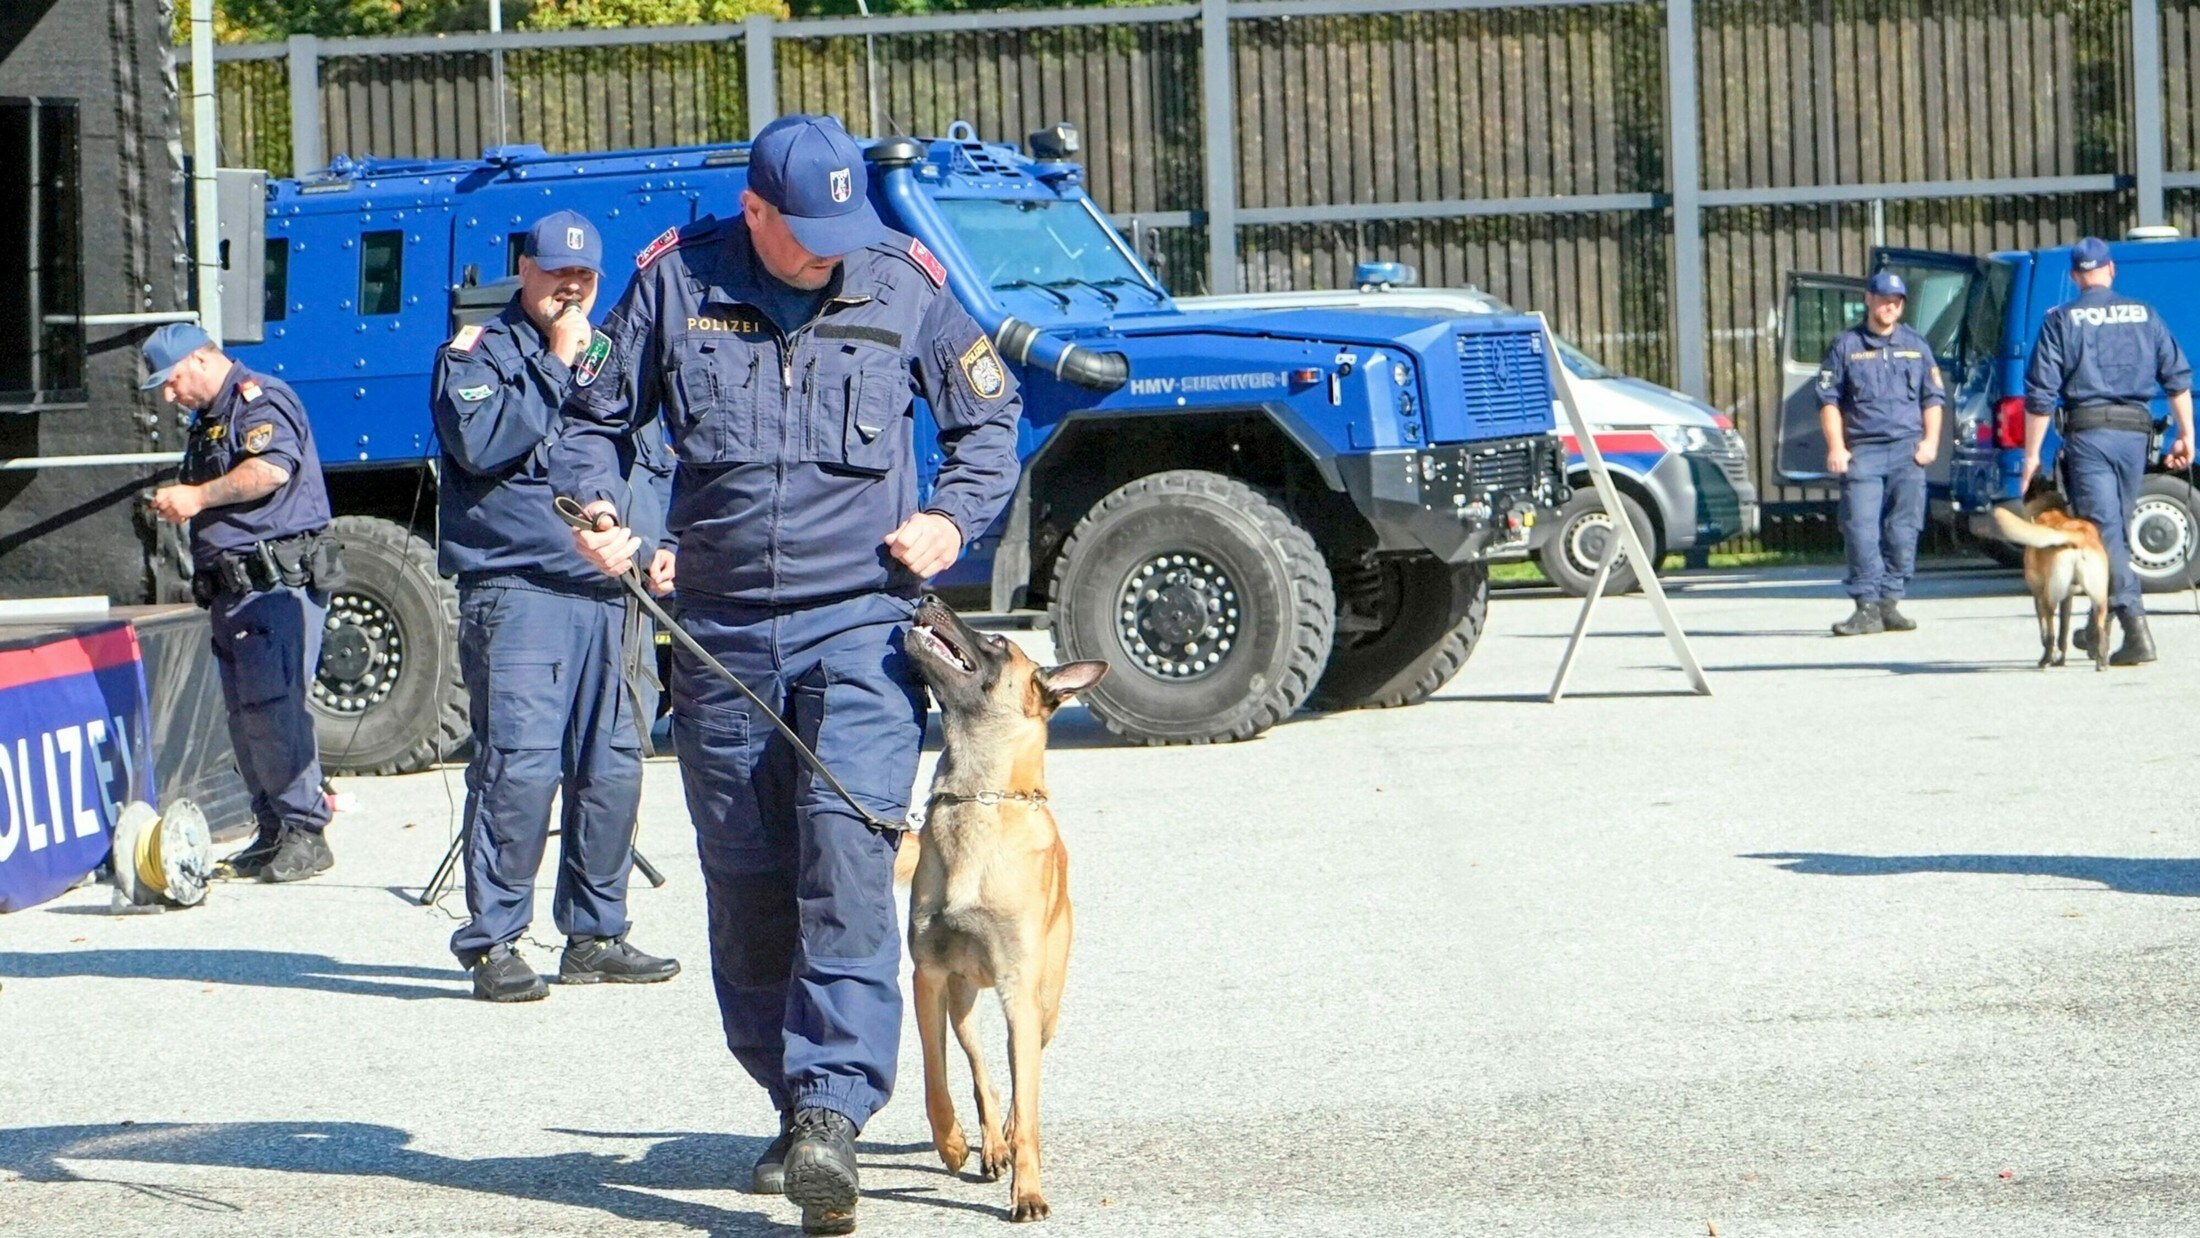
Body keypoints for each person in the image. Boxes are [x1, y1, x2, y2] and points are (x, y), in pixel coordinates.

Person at [551, 114, 1022, 1235]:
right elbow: (590, 424)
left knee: (846, 857)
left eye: (840, 226)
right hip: (719, 632)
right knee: (750, 879)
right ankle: (788, 1093)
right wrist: (600, 513)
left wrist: (951, 525)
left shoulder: (898, 280)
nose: (828, 248)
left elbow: (989, 418)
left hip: (861, 624)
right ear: (753, 210)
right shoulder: (674, 283)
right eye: (804, 229)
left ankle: (830, 1111)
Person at [431, 210, 681, 1003]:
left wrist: (664, 540)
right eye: (554, 273)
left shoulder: (612, 360)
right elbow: (481, 442)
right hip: (521, 591)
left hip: (612, 594)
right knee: (519, 768)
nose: (569, 288)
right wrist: (554, 365)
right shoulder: (475, 355)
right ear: (525, 270)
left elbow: (647, 456)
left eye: (583, 278)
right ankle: (495, 942)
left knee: (611, 767)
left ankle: (596, 933)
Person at [144, 322, 342, 883]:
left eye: (172, 380)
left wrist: (197, 495)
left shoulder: (261, 399)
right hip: (233, 592)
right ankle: (274, 828)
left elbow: (269, 470)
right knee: (245, 717)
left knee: (275, 711)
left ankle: (306, 831)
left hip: (271, 589)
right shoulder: (209, 420)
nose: (167, 395)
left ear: (202, 361)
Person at [2021, 236, 2196, 665]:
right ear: (2111, 270)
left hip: (2090, 437)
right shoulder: (2144, 313)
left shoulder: (2061, 319)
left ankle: (2136, 631)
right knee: (2113, 527)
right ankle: (2099, 626)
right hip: (2135, 437)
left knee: (2105, 531)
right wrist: (2187, 436)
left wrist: (2031, 458)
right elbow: (2177, 378)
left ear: (2075, 275)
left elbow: (2041, 395)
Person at [1817, 270, 1945, 636]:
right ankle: (1866, 605)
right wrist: (1836, 447)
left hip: (1908, 452)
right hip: (1863, 452)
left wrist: (1930, 443)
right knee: (1860, 529)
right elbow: (1828, 402)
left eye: (1897, 300)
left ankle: (1889, 602)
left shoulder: (1916, 345)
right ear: (1868, 299)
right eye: (1884, 299)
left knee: (1903, 531)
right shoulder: (1846, 346)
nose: (1890, 306)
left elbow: (1932, 399)